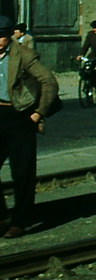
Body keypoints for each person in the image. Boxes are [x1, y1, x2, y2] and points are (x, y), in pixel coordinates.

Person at [0, 14, 60, 238]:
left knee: (22, 172)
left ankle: (20, 220)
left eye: (1, 37)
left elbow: (48, 81)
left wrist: (38, 113)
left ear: (9, 36)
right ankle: (1, 216)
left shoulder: (23, 55)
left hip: (19, 117)